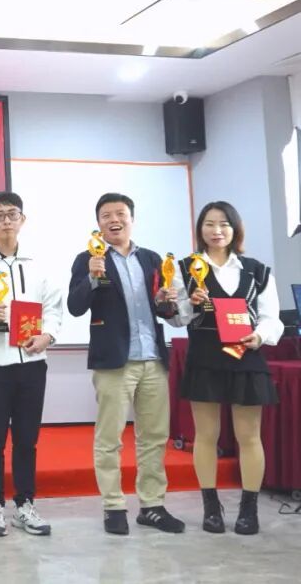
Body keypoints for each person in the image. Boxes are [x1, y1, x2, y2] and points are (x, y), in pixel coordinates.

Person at [67, 192, 185, 535]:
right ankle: (114, 505)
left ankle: (152, 506)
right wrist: (91, 277)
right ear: (98, 223)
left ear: (131, 219)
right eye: (106, 215)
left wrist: (166, 301)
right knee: (110, 438)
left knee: (154, 437)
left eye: (120, 213)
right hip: (114, 361)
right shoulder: (88, 258)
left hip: (152, 358)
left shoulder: (151, 259)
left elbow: (165, 310)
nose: (114, 220)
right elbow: (75, 306)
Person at [170, 201, 283, 535]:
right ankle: (211, 507)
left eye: (224, 224)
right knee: (206, 436)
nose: (216, 231)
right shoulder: (185, 268)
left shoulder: (257, 270)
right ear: (200, 229)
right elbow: (176, 318)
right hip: (205, 358)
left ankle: (249, 509)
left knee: (249, 436)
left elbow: (271, 318)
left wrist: (259, 336)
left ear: (235, 229)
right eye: (209, 224)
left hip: (246, 358)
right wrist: (188, 304)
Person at [0, 191, 62, 537]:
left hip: (32, 361)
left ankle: (25, 504)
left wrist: (48, 336)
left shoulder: (39, 262)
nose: (6, 220)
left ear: (22, 219)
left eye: (12, 214)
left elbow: (54, 308)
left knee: (26, 439)